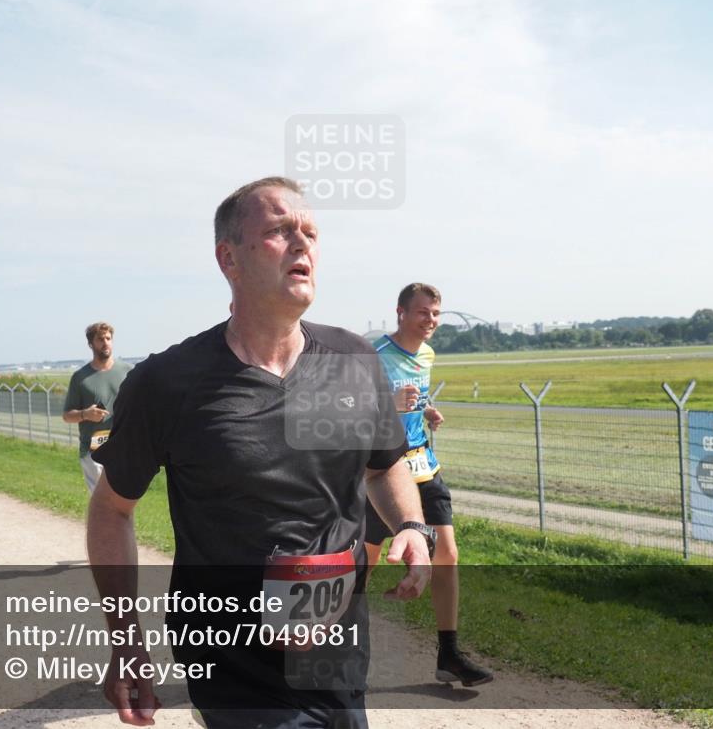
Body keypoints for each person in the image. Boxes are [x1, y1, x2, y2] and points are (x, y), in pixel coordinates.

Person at [87, 177, 434, 729]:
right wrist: (126, 641)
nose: (302, 244)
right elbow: (112, 508)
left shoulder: (353, 359)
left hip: (336, 643)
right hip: (229, 655)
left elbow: (384, 462)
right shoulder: (168, 382)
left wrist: (413, 526)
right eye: (279, 231)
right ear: (229, 258)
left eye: (311, 233)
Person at [365, 283, 494, 687]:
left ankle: (449, 654)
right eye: (423, 313)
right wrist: (391, 404)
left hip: (423, 466)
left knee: (448, 555)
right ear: (400, 312)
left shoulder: (427, 354)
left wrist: (425, 412)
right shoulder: (374, 356)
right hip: (382, 472)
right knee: (362, 566)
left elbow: (412, 403)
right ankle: (342, 650)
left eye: (436, 314)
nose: (431, 322)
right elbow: (349, 408)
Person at [62, 322, 132, 493]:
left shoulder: (128, 371)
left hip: (123, 448)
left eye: (108, 338)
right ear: (91, 344)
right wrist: (86, 414)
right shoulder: (80, 378)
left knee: (123, 502)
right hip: (93, 451)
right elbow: (67, 415)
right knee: (101, 503)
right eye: (100, 339)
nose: (105, 342)